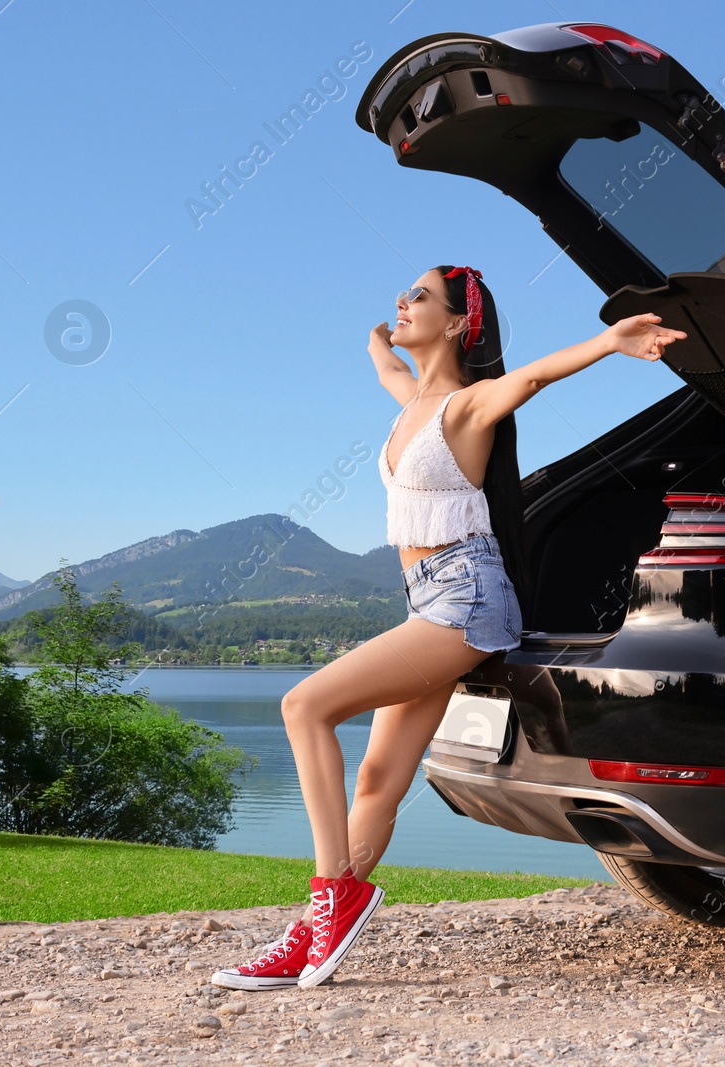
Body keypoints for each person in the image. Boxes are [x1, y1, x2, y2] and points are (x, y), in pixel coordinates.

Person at [211, 265, 686, 990]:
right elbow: (387, 367)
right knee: (376, 779)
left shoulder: (467, 407)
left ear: (462, 323)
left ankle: (328, 896)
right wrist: (379, 341)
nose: (402, 301)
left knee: (303, 704)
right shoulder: (410, 401)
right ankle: (314, 934)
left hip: (466, 601)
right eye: (402, 294)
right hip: (427, 601)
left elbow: (531, 379)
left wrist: (610, 341)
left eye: (420, 296)